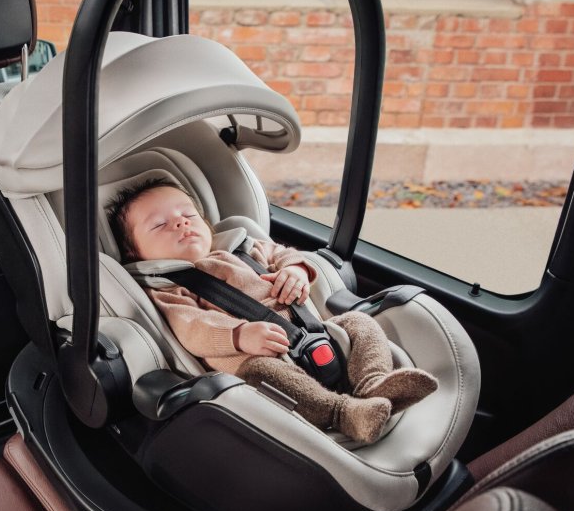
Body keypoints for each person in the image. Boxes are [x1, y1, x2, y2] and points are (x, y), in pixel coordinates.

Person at [109, 178, 437, 444]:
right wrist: (238, 335)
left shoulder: (243, 247)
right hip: (255, 357)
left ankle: (373, 383)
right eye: (160, 225)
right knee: (263, 374)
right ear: (134, 252)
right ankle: (342, 413)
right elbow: (192, 326)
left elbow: (282, 253)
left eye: (188, 215)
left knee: (359, 322)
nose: (181, 222)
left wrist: (295, 270)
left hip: (313, 332)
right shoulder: (166, 287)